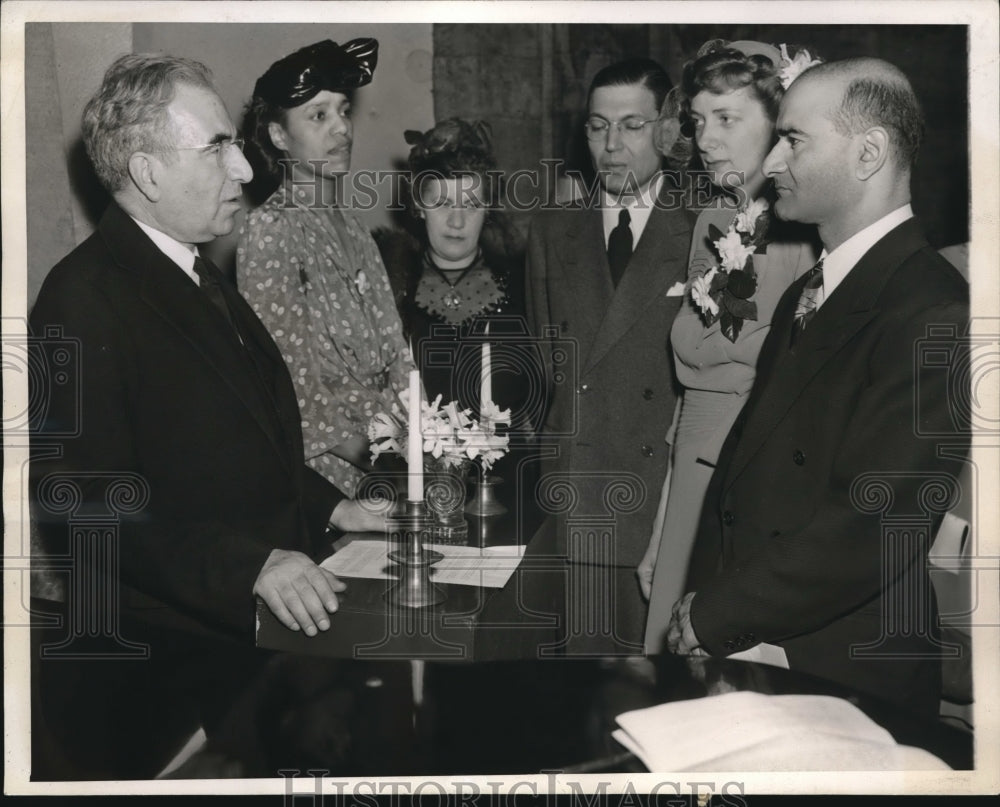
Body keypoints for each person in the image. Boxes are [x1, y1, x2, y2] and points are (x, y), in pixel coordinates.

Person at [29, 53, 388, 777]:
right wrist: (250, 564)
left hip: (250, 648)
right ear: (149, 171)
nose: (246, 169)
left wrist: (333, 509)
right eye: (218, 147)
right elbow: (84, 501)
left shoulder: (192, 268)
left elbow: (244, 439)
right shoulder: (81, 297)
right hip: (176, 670)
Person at [667, 58, 969, 718]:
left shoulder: (934, 310)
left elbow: (873, 520)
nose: (771, 161)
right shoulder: (814, 288)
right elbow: (745, 474)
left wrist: (720, 612)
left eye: (794, 139)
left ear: (868, 153)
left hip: (847, 671)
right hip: (762, 645)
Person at [639, 41, 820, 653]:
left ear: (778, 123)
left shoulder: (807, 233)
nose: (706, 139)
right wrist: (663, 530)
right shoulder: (711, 220)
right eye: (697, 121)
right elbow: (687, 406)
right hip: (692, 466)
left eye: (726, 119)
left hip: (750, 483)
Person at [526, 58, 694, 654]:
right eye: (598, 127)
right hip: (576, 507)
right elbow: (550, 373)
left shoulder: (706, 228)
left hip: (659, 508)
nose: (612, 146)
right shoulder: (552, 230)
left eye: (632, 125)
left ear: (668, 131)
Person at [237, 39, 414, 497]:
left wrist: (420, 447)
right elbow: (289, 386)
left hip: (392, 463)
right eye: (319, 116)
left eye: (343, 111)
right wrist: (385, 462)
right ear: (278, 136)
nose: (341, 129)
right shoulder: (271, 230)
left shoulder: (356, 229)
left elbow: (396, 354)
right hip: (326, 480)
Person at [377, 118, 540, 492]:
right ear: (419, 206)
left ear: (488, 208)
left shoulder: (523, 290)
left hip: (506, 492)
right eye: (442, 203)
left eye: (471, 203)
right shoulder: (386, 289)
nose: (456, 220)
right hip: (410, 491)